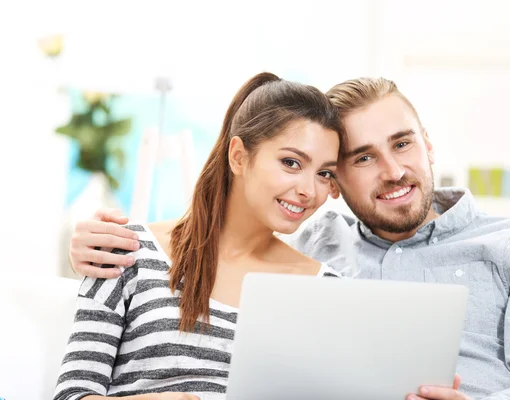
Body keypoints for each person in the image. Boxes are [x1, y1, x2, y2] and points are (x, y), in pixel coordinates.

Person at [69, 77, 510, 400]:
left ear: (427, 144)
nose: (392, 171)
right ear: (339, 182)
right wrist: (86, 245)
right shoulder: (319, 244)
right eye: (363, 157)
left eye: (403, 144)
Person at [53, 72, 349, 400]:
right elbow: (72, 395)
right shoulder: (126, 252)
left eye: (324, 173)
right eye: (291, 162)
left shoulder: (326, 291)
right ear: (238, 156)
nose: (309, 190)